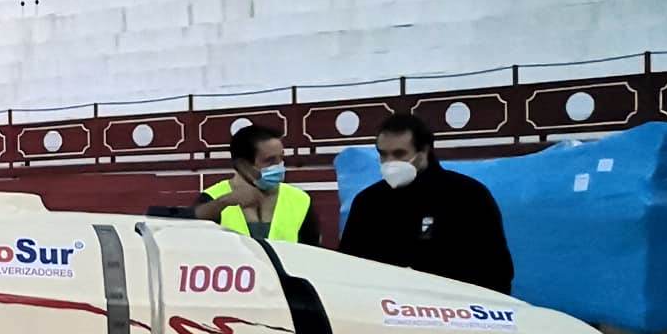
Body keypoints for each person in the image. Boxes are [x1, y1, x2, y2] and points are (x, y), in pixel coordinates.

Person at [340, 113, 514, 293]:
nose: (390, 162)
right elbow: (348, 268)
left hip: (450, 304)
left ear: (424, 151)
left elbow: (496, 272)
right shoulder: (368, 202)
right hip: (382, 303)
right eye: (383, 154)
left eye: (399, 154)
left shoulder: (469, 196)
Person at [193, 124, 322, 245]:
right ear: (243, 165)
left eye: (281, 158)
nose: (280, 166)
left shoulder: (300, 199)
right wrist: (223, 202)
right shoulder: (212, 198)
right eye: (270, 161)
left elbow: (313, 251)